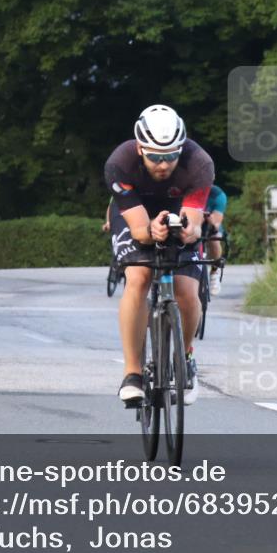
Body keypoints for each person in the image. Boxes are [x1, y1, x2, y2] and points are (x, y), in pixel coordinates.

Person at [106, 105, 213, 406]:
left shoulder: (199, 163)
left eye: (171, 156)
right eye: (155, 157)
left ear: (182, 149)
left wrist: (187, 231)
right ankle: (132, 374)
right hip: (136, 214)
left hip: (179, 213)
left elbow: (194, 225)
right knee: (138, 277)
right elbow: (141, 232)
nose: (163, 164)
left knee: (187, 290)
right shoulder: (120, 163)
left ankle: (186, 356)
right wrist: (151, 230)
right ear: (140, 149)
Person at [204, 184, 228, 295]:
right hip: (190, 224)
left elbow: (216, 223)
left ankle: (214, 272)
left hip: (209, 223)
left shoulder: (218, 195)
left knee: (215, 237)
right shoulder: (188, 190)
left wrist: (210, 220)